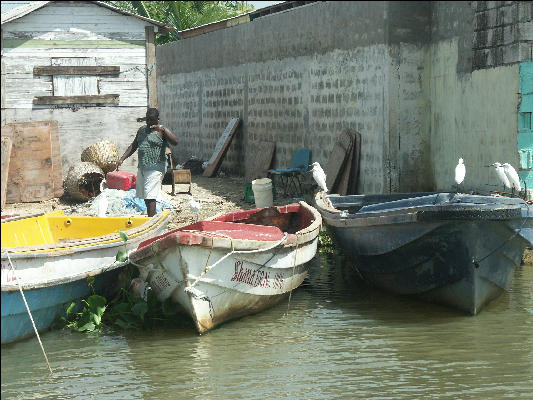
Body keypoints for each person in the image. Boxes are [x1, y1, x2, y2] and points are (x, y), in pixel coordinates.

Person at [116, 108, 178, 217]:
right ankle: (152, 215)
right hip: (143, 166)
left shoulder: (161, 131)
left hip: (156, 167)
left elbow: (175, 142)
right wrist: (122, 158)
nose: (150, 123)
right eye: (148, 120)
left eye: (153, 121)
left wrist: (163, 130)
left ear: (158, 120)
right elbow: (134, 145)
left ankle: (151, 220)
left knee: (150, 195)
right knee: (144, 194)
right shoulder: (142, 130)